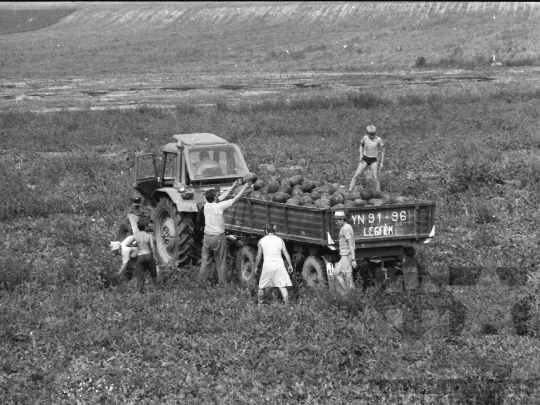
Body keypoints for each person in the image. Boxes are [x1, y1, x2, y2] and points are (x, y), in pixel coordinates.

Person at [198, 180, 253, 287]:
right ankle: (222, 286)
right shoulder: (220, 206)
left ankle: (201, 284)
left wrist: (233, 186)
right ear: (214, 197)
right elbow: (236, 199)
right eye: (217, 195)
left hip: (207, 238)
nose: (218, 195)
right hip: (218, 238)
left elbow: (222, 197)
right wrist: (244, 188)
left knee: (205, 262)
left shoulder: (205, 206)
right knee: (221, 262)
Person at [254, 222, 294, 304]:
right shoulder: (280, 240)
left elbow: (259, 255)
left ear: (265, 231)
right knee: (282, 286)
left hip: (267, 266)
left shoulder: (261, 241)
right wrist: (290, 265)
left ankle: (260, 304)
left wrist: (256, 266)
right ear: (274, 231)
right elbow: (286, 253)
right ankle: (287, 306)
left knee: (262, 287)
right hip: (279, 265)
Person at [122, 219, 158, 293]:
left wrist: (136, 244)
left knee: (140, 276)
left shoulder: (136, 236)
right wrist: (155, 257)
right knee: (153, 275)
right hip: (149, 256)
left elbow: (127, 244)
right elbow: (152, 247)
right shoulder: (149, 235)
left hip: (140, 257)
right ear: (145, 227)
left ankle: (139, 292)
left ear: (138, 227)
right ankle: (155, 290)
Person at [349, 125, 385, 193]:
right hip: (365, 159)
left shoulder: (378, 140)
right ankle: (350, 190)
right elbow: (361, 145)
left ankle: (378, 193)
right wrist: (361, 154)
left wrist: (382, 162)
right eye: (370, 135)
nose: (372, 136)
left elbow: (383, 150)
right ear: (367, 133)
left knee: (375, 178)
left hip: (373, 160)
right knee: (356, 175)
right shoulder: (365, 138)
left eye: (373, 135)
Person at [333, 210, 358, 295]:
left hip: (347, 256)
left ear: (342, 220)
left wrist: (353, 259)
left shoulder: (346, 228)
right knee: (336, 273)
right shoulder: (344, 227)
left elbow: (350, 243)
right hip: (344, 255)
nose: (336, 223)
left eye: (337, 221)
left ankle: (352, 296)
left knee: (348, 278)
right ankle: (347, 292)